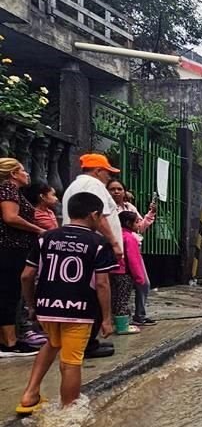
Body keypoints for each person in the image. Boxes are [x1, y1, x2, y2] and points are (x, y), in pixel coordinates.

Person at [16, 192, 117, 413]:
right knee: (71, 361)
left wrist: (32, 305)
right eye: (100, 217)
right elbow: (102, 284)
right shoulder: (98, 244)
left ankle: (30, 393)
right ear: (93, 214)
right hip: (78, 311)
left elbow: (26, 275)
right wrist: (107, 318)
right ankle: (68, 412)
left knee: (52, 343)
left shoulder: (46, 238)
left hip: (47, 308)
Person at [62, 153, 123, 359]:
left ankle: (87, 341)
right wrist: (114, 243)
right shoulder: (93, 185)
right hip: (93, 246)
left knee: (84, 291)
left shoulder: (75, 186)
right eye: (107, 173)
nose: (108, 178)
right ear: (98, 171)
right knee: (97, 291)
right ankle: (89, 343)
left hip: (79, 246)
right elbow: (101, 218)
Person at [0, 158, 45, 358]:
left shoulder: (12, 191)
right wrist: (38, 230)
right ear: (13, 174)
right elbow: (10, 217)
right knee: (9, 292)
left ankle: (8, 339)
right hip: (10, 247)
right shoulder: (9, 188)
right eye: (23, 170)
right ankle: (9, 342)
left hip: (13, 247)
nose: (27, 174)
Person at [107, 179, 156, 326]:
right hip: (114, 253)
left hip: (130, 251)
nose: (116, 191)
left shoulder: (129, 207)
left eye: (119, 189)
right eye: (112, 189)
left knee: (141, 285)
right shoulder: (107, 209)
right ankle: (116, 320)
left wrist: (150, 214)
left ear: (124, 191)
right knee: (118, 291)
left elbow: (139, 226)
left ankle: (138, 315)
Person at [110, 211, 146, 334]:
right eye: (136, 222)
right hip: (124, 273)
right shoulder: (130, 238)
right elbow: (133, 260)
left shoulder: (115, 235)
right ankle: (122, 327)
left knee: (115, 298)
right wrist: (140, 278)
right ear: (128, 223)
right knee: (123, 299)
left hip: (112, 271)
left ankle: (115, 323)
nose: (139, 224)